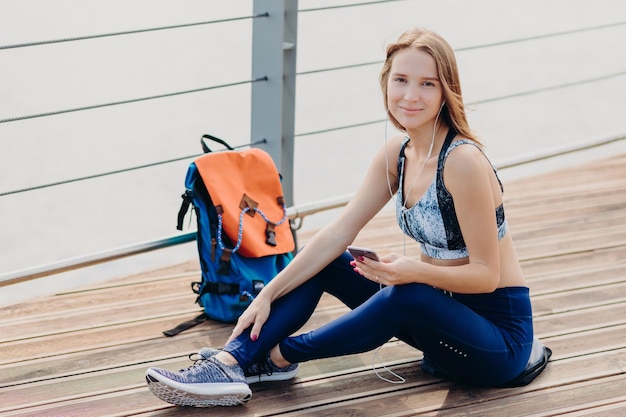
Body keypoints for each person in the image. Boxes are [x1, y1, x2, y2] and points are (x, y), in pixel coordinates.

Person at [145, 27, 549, 408]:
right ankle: (231, 361)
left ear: (447, 92)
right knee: (333, 260)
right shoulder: (398, 155)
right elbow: (338, 232)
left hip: (497, 342)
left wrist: (412, 270)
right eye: (401, 80)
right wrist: (268, 292)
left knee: (409, 292)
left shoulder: (463, 162)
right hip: (438, 319)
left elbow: (485, 275)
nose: (411, 95)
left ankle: (277, 358)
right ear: (386, 83)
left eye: (428, 84)